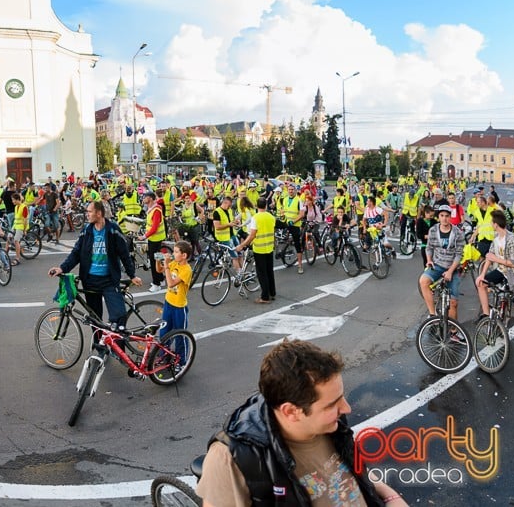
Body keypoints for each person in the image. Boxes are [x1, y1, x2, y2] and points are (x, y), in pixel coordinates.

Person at [196, 340, 406, 506]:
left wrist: (390, 497)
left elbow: (355, 477)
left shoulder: (331, 425)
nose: (346, 409)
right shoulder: (233, 459)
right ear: (291, 411)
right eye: (332, 404)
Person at [48, 201, 142, 326]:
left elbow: (124, 254)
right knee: (95, 319)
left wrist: (132, 275)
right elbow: (76, 253)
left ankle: (118, 344)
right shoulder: (86, 230)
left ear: (98, 213)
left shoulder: (113, 230)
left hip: (109, 281)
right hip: (90, 281)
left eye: (89, 211)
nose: (87, 214)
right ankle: (98, 345)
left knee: (119, 317)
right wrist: (62, 268)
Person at [419, 205, 465, 328]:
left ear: (450, 217)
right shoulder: (433, 230)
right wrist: (429, 260)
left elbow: (459, 255)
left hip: (453, 268)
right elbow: (429, 247)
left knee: (454, 303)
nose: (444, 219)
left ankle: (454, 330)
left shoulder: (458, 233)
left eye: (447, 216)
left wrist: (450, 271)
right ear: (438, 217)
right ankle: (432, 314)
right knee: (423, 281)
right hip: (438, 264)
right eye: (442, 216)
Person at [475, 209, 514, 318]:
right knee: (481, 283)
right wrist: (482, 275)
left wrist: (496, 259)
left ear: (495, 224)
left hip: (513, 274)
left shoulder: (512, 239)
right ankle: (486, 314)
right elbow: (490, 256)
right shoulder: (496, 238)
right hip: (501, 271)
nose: (490, 224)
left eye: (491, 222)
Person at [236, 197, 276, 304]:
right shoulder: (271, 217)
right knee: (269, 271)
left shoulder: (255, 218)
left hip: (259, 248)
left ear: (257, 206)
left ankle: (265, 297)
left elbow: (252, 235)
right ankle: (272, 293)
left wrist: (242, 245)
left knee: (261, 273)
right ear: (266, 205)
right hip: (269, 247)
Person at [159, 240, 192, 363]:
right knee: (164, 332)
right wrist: (159, 261)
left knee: (180, 336)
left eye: (176, 251)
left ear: (184, 255)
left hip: (179, 307)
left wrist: (167, 265)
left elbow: (171, 283)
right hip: (168, 302)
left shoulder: (186, 270)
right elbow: (159, 270)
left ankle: (181, 361)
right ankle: (164, 355)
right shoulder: (174, 263)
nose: (173, 253)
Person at [140, 191, 167, 292]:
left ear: (150, 198)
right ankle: (160, 279)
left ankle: (156, 284)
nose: (143, 198)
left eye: (145, 197)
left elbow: (155, 227)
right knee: (158, 259)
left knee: (153, 260)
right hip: (155, 238)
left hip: (155, 238)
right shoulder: (152, 208)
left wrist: (144, 236)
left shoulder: (156, 210)